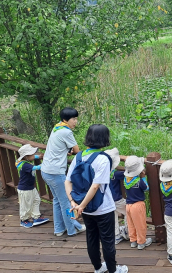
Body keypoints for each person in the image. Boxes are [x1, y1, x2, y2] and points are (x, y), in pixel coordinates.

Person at [66, 124, 128, 273]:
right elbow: (95, 187)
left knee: (91, 238)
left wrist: (75, 203)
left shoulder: (78, 156)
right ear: (105, 139)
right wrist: (81, 206)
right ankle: (113, 270)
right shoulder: (103, 159)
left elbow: (67, 181)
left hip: (85, 207)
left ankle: (98, 268)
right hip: (103, 208)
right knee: (107, 241)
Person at [41, 107, 85, 237]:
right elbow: (77, 151)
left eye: (76, 118)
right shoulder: (66, 132)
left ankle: (59, 229)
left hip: (46, 170)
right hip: (56, 172)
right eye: (73, 119)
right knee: (65, 201)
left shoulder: (57, 128)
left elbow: (60, 147)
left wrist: (67, 151)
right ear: (65, 120)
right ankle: (72, 229)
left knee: (57, 200)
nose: (75, 121)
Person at [15, 144, 49, 228]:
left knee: (36, 200)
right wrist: (46, 162)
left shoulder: (20, 162)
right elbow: (36, 168)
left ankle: (36, 216)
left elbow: (31, 158)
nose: (34, 155)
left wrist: (38, 157)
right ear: (26, 156)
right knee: (25, 205)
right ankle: (24, 220)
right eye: (32, 154)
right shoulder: (25, 165)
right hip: (25, 189)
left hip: (30, 187)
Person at [123, 155, 152, 249]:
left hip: (128, 205)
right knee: (140, 224)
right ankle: (141, 242)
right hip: (137, 205)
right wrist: (143, 177)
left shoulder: (126, 179)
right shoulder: (139, 181)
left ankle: (133, 241)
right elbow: (147, 188)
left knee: (131, 224)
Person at [106, 148, 129, 245]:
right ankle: (128, 231)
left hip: (107, 199)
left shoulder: (103, 173)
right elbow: (127, 174)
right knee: (129, 211)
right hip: (117, 199)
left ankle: (116, 235)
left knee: (113, 215)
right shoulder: (115, 174)